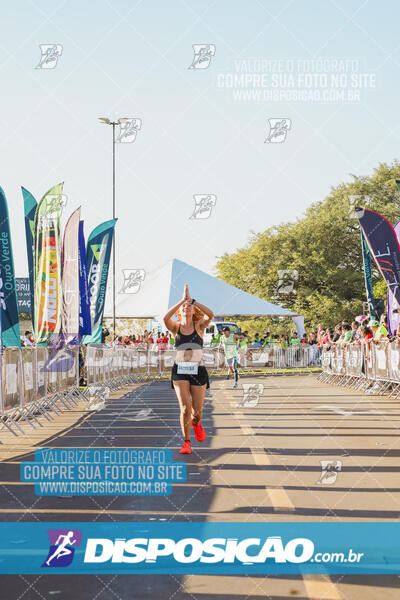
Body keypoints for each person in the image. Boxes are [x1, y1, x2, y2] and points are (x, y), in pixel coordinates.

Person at [163, 284, 214, 455]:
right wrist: (182, 300)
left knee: (196, 412)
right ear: (179, 311)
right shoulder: (175, 328)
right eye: (184, 306)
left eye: (189, 306)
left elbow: (211, 314)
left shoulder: (199, 325)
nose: (187, 307)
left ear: (193, 310)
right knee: (185, 408)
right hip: (180, 371)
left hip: (198, 371)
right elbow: (165, 317)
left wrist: (193, 301)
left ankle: (196, 422)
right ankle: (186, 442)